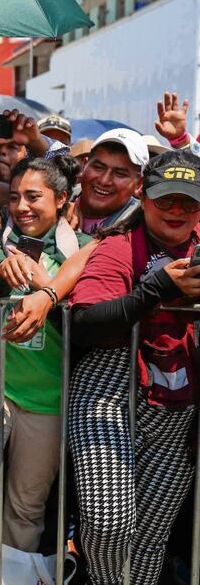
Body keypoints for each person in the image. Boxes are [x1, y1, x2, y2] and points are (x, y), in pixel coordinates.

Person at [0, 155, 90, 585]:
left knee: (26, 507)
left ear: (62, 199)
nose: (22, 207)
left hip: (48, 402)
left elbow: (93, 271)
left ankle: (14, 578)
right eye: (14, 197)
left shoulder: (81, 249)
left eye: (34, 196)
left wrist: (47, 288)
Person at [66, 149, 200, 584]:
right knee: (108, 523)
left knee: (149, 540)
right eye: (166, 200)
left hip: (180, 402)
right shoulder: (120, 245)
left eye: (188, 201)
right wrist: (156, 289)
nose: (177, 210)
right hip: (109, 386)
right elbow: (85, 320)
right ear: (143, 197)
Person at [73, 128, 148, 234]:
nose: (104, 181)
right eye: (98, 167)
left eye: (119, 174)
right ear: (84, 165)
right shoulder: (57, 199)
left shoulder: (140, 227)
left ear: (139, 184)